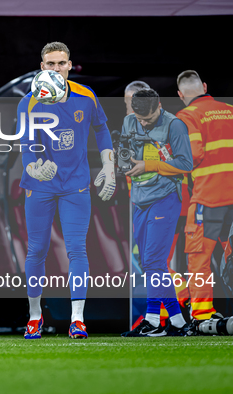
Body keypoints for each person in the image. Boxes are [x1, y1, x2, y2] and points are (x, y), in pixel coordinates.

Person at [18, 42, 115, 340]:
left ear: (70, 65)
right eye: (50, 64)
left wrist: (109, 166)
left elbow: (102, 129)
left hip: (76, 185)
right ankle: (35, 316)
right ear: (41, 66)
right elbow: (25, 146)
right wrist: (34, 168)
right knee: (37, 250)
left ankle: (77, 319)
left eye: (61, 63)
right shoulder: (29, 102)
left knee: (77, 249)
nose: (56, 68)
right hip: (39, 186)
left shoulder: (86, 96)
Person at [121, 89, 194, 337]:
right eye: (140, 119)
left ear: (159, 106)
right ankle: (175, 320)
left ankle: (153, 320)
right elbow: (126, 152)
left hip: (165, 198)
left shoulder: (175, 125)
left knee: (153, 261)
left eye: (149, 120)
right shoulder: (130, 120)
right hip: (139, 199)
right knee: (148, 262)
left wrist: (148, 165)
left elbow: (186, 164)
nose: (143, 123)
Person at [176, 70, 233, 321]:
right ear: (205, 86)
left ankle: (201, 314)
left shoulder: (187, 116)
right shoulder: (230, 109)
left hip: (209, 197)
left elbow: (192, 155)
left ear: (180, 95)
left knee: (199, 255)